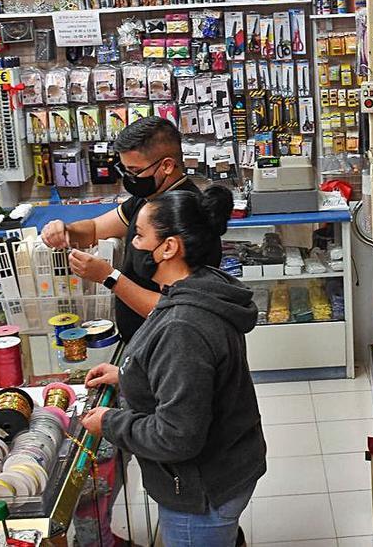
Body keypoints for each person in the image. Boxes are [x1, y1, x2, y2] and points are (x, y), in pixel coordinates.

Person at [80, 185, 265, 547]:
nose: (133, 245)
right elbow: (195, 380)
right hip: (229, 465)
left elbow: (177, 437)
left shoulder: (182, 326)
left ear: (169, 247)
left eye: (139, 236)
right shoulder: (200, 287)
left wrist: (110, 423)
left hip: (201, 489)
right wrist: (129, 376)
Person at [40, 116, 222, 342]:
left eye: (134, 171)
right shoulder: (147, 198)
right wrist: (64, 230)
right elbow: (96, 229)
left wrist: (109, 276)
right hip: (142, 343)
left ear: (166, 165)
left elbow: (181, 310)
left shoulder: (186, 216)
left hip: (170, 345)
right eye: (124, 169)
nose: (129, 178)